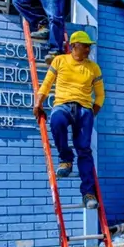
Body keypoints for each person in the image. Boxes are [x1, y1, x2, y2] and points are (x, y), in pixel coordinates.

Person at [33, 30, 103, 209]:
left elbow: (100, 95)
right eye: (85, 46)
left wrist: (90, 113)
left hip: (84, 109)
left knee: (84, 150)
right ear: (74, 46)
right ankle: (66, 159)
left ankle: (88, 193)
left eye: (89, 46)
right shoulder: (60, 60)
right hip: (63, 105)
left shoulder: (93, 68)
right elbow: (47, 83)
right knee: (56, 121)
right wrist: (38, 103)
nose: (88, 49)